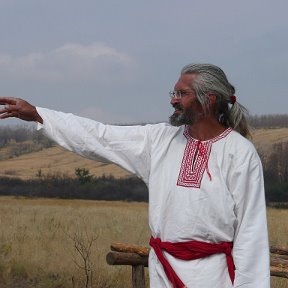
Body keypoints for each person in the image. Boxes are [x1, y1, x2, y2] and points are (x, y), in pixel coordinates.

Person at [0, 63, 270, 288]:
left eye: (182, 93)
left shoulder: (240, 153)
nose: (173, 99)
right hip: (163, 271)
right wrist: (40, 115)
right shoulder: (158, 140)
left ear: (208, 99)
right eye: (173, 92)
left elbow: (251, 232)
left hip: (215, 277)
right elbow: (101, 137)